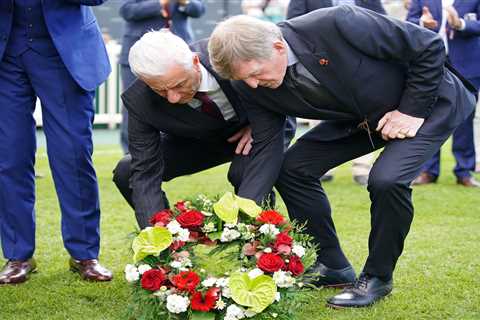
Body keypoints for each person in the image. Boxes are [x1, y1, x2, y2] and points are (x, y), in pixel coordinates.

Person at [208, 7, 476, 308]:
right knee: (293, 168)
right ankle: (332, 265)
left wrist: (410, 111)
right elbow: (269, 142)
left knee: (387, 179)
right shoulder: (246, 80)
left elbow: (428, 45)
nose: (253, 85)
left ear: (278, 47)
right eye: (245, 80)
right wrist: (248, 212)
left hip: (427, 102)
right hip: (363, 116)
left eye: (256, 74)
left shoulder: (338, 23)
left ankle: (377, 277)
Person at [112, 30, 294, 229]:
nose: (172, 98)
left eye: (179, 85)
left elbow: (273, 86)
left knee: (243, 172)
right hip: (202, 140)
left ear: (195, 62)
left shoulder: (229, 52)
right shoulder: (139, 100)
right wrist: (157, 239)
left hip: (260, 127)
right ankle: (171, 241)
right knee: (127, 171)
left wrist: (259, 124)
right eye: (160, 90)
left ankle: (261, 240)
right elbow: (145, 172)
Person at [0, 0, 113, 285]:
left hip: (65, 55)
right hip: (6, 55)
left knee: (72, 155)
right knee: (9, 157)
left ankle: (84, 254)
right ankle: (17, 255)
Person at [286, 0, 387, 186]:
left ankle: (362, 167)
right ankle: (323, 166)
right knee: (319, 110)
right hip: (320, 64)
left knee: (366, 111)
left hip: (359, 62)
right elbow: (293, 24)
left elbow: (381, 20)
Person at [407, 0, 480, 187]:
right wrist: (423, 23)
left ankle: (464, 171)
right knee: (428, 119)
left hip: (467, 65)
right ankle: (428, 171)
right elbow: (409, 22)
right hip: (431, 64)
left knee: (465, 119)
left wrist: (460, 24)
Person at [118, 0, 206, 154]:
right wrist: (161, 3)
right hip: (141, 59)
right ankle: (130, 156)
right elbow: (127, 10)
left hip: (179, 58)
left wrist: (185, 2)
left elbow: (199, 9)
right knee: (133, 106)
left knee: (184, 101)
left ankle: (180, 153)